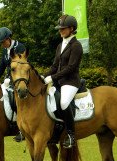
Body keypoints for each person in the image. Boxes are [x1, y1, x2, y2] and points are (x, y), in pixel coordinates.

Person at [44, 15, 83, 149]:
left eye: (63, 29)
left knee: (64, 102)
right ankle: (58, 128)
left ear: (71, 29)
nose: (60, 31)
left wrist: (53, 78)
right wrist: (43, 77)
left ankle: (71, 135)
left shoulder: (76, 46)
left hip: (71, 81)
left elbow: (71, 68)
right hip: (60, 81)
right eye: (59, 29)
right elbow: (54, 66)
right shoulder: (60, 45)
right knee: (50, 100)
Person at [0, 27, 26, 142]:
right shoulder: (5, 50)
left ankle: (22, 129)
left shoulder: (20, 47)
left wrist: (12, 80)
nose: (2, 45)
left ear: (8, 38)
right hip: (8, 80)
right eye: (1, 43)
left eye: (3, 42)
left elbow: (20, 66)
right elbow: (2, 66)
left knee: (14, 99)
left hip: (19, 80)